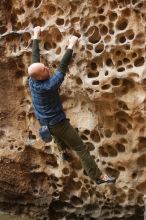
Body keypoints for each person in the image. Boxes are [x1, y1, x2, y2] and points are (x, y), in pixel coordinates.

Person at [27, 26, 116, 185]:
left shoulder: (32, 80)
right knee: (81, 148)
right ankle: (98, 177)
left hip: (45, 123)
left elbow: (35, 60)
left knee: (58, 137)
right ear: (40, 77)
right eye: (45, 70)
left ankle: (61, 148)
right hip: (58, 124)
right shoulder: (50, 85)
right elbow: (62, 67)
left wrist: (35, 35)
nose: (48, 68)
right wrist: (71, 45)